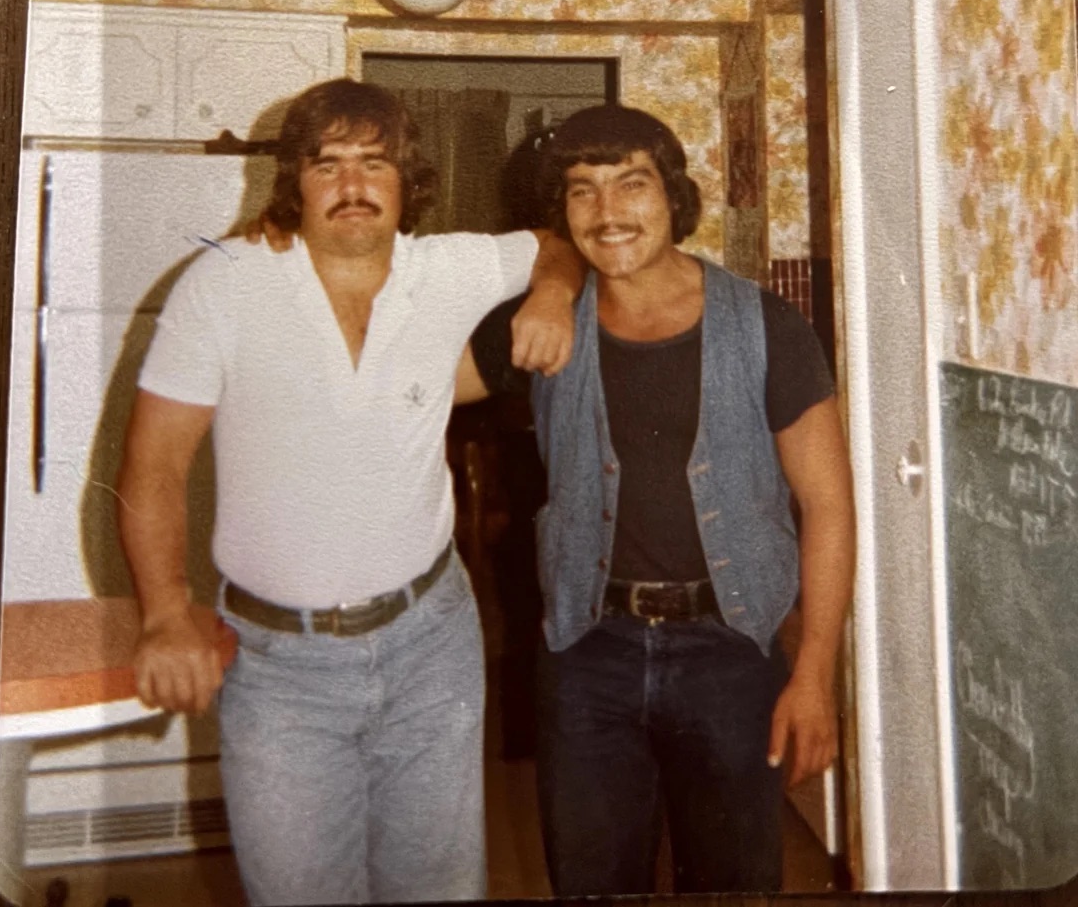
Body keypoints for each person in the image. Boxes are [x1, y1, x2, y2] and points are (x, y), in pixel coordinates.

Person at [116, 79, 581, 907]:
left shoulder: (447, 266)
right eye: (326, 165)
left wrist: (551, 292)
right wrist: (162, 612)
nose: (353, 184)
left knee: (438, 888)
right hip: (277, 666)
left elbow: (558, 244)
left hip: (430, 645)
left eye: (375, 163)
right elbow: (152, 468)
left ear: (409, 183)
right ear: (293, 181)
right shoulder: (221, 286)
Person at [458, 103, 855, 896]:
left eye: (631, 183)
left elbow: (829, 505)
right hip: (585, 652)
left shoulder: (767, 326)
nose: (607, 212)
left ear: (672, 194)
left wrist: (813, 673)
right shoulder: (539, 324)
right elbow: (398, 394)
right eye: (582, 190)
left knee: (733, 883)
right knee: (594, 882)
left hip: (731, 652)